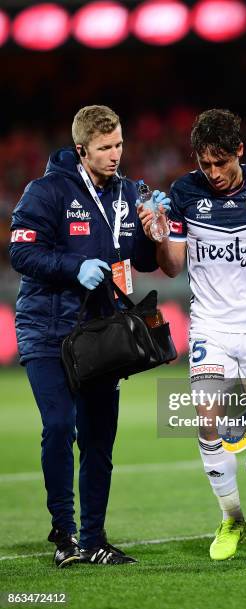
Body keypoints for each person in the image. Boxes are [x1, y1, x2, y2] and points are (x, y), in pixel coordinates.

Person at [9, 105, 169, 568]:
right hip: (47, 328)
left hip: (101, 334)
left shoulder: (127, 192)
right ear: (82, 150)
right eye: (105, 148)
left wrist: (153, 232)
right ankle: (64, 533)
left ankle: (94, 539)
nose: (115, 154)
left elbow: (139, 262)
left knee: (99, 438)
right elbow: (22, 253)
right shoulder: (46, 191)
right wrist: (72, 267)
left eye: (119, 144)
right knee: (59, 426)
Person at [138, 108, 246, 561]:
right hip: (210, 325)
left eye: (221, 162)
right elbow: (173, 266)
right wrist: (157, 237)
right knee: (207, 420)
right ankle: (232, 519)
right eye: (205, 163)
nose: (214, 173)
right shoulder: (186, 194)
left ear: (240, 152)